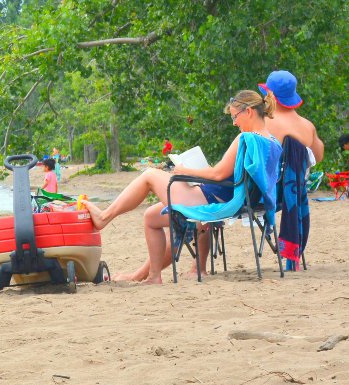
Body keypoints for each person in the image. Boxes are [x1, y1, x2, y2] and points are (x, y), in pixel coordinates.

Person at [84, 90, 282, 284]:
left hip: (214, 199)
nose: (234, 123)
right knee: (151, 217)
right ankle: (153, 276)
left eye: (235, 117)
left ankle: (104, 217)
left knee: (149, 175)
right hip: (232, 197)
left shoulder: (246, 139)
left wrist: (185, 171)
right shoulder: (273, 143)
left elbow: (217, 174)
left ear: (248, 112)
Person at [259, 70, 324, 164]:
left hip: (268, 178)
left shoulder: (263, 122)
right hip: (298, 178)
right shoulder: (308, 126)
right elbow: (318, 156)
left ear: (269, 96)